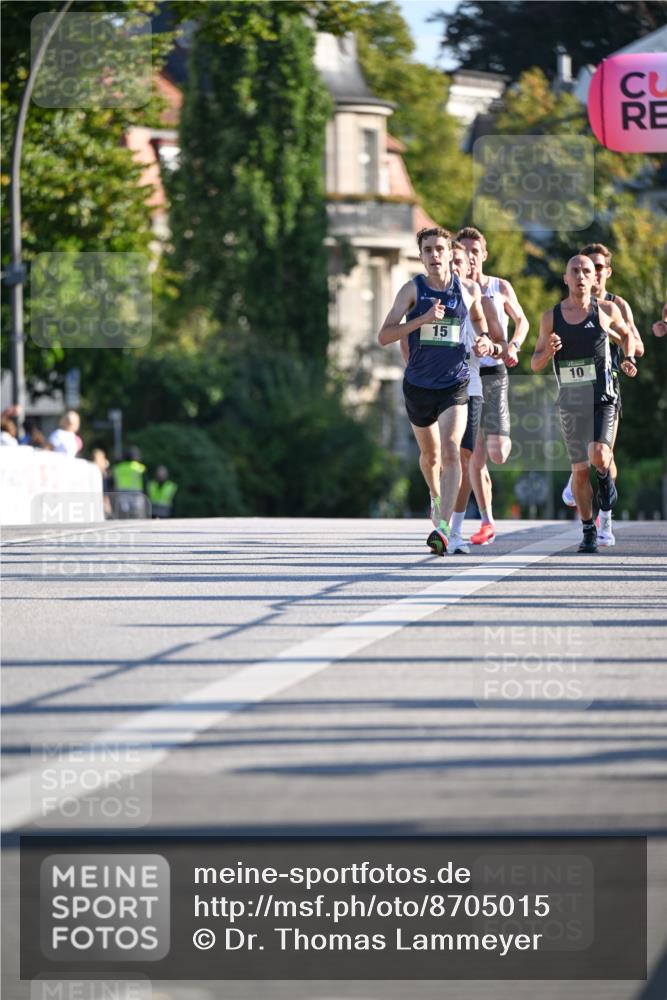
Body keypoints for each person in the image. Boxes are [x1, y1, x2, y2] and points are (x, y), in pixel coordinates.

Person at [378, 226, 496, 554]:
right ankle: (435, 497)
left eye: (439, 249)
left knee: (451, 450)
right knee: (430, 457)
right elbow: (384, 336)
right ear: (421, 255)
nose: (434, 256)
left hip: (455, 384)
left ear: (449, 253)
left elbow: (479, 321)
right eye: (427, 250)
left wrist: (484, 339)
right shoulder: (412, 290)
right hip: (418, 386)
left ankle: (443, 530)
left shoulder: (467, 289)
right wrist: (423, 319)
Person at [531, 255, 636, 553]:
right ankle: (589, 529)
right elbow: (535, 362)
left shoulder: (605, 310)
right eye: (574, 271)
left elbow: (627, 336)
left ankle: (605, 481)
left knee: (600, 455)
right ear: (565, 278)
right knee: (579, 472)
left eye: (586, 271)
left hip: (603, 398)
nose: (580, 276)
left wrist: (627, 359)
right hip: (570, 402)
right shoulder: (551, 317)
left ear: (594, 279)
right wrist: (548, 352)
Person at [560, 243, 642, 546]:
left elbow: (635, 343)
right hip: (577, 389)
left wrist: (624, 352)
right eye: (583, 267)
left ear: (605, 272)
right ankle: (578, 484)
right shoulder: (569, 306)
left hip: (609, 386)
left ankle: (605, 520)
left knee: (604, 455)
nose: (589, 272)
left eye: (596, 267)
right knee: (589, 458)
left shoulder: (614, 305)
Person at [456, 227, 529, 545]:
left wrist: (514, 345)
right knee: (474, 454)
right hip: (466, 373)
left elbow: (522, 321)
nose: (470, 257)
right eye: (464, 251)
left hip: (495, 370)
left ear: (483, 254)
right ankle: (487, 521)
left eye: (475, 251)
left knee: (497, 453)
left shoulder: (499, 286)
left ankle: (504, 432)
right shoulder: (456, 288)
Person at [447, 240, 507, 553]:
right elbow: (401, 336)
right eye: (450, 260)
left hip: (470, 385)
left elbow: (498, 341)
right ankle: (441, 519)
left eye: (459, 260)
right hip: (431, 387)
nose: (454, 266)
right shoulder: (422, 294)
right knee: (437, 458)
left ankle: (452, 532)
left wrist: (489, 345)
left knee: (465, 457)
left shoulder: (477, 296)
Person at [111, 446, 149, 519]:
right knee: (137, 515)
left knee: (124, 515)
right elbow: (145, 483)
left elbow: (112, 483)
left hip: (121, 494)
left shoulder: (117, 468)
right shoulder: (140, 468)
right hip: (136, 495)